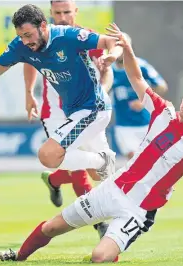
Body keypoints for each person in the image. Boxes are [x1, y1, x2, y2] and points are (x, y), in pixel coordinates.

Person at [0, 23, 183, 264]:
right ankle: (17, 256)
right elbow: (136, 77)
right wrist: (127, 48)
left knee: (99, 257)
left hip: (138, 210)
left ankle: (111, 249)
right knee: (52, 227)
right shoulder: (164, 111)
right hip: (112, 188)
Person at [0, 5, 122, 184]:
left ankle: (103, 161)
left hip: (94, 108)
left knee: (48, 155)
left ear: (42, 25)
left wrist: (113, 55)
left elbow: (111, 41)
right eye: (21, 36)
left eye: (28, 35)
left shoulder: (67, 36)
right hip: (75, 112)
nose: (25, 41)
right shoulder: (22, 45)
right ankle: (125, 204)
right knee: (100, 176)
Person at [22, 0, 112, 238]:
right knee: (78, 165)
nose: (62, 17)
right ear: (50, 13)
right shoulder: (40, 38)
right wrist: (29, 93)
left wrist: (102, 89)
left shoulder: (85, 37)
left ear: (76, 12)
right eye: (57, 13)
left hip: (86, 108)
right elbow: (28, 61)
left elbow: (108, 68)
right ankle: (100, 223)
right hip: (56, 113)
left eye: (67, 12)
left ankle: (54, 179)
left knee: (96, 172)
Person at [111, 32, 168, 160]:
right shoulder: (109, 70)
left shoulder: (141, 65)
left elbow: (161, 85)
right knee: (133, 159)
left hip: (145, 122)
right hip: (123, 124)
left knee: (152, 161)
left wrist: (143, 100)